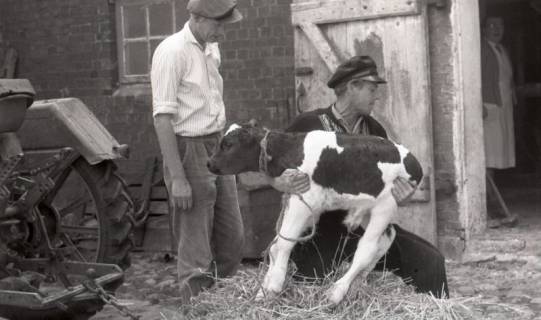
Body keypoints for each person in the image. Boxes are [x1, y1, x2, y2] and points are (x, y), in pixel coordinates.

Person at [284, 55, 449, 298]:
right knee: (311, 289)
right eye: (371, 89)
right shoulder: (309, 124)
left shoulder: (375, 131)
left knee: (430, 260)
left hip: (365, 228)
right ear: (352, 87)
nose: (377, 96)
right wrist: (287, 181)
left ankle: (437, 313)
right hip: (320, 232)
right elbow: (277, 170)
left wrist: (397, 195)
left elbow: (387, 188)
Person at [150, 0, 246, 302]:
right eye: (217, 23)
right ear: (196, 17)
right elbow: (162, 119)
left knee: (232, 240)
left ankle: (224, 307)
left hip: (217, 145)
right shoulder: (172, 51)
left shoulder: (209, 47)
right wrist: (178, 178)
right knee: (196, 251)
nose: (221, 30)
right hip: (188, 148)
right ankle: (196, 310)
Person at [481, 16, 518, 226]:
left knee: (494, 157)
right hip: (489, 108)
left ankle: (493, 205)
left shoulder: (501, 49)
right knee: (487, 157)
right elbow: (475, 78)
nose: (497, 29)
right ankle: (486, 207)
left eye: (500, 24)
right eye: (492, 25)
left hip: (502, 109)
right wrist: (479, 104)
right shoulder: (482, 49)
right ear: (484, 28)